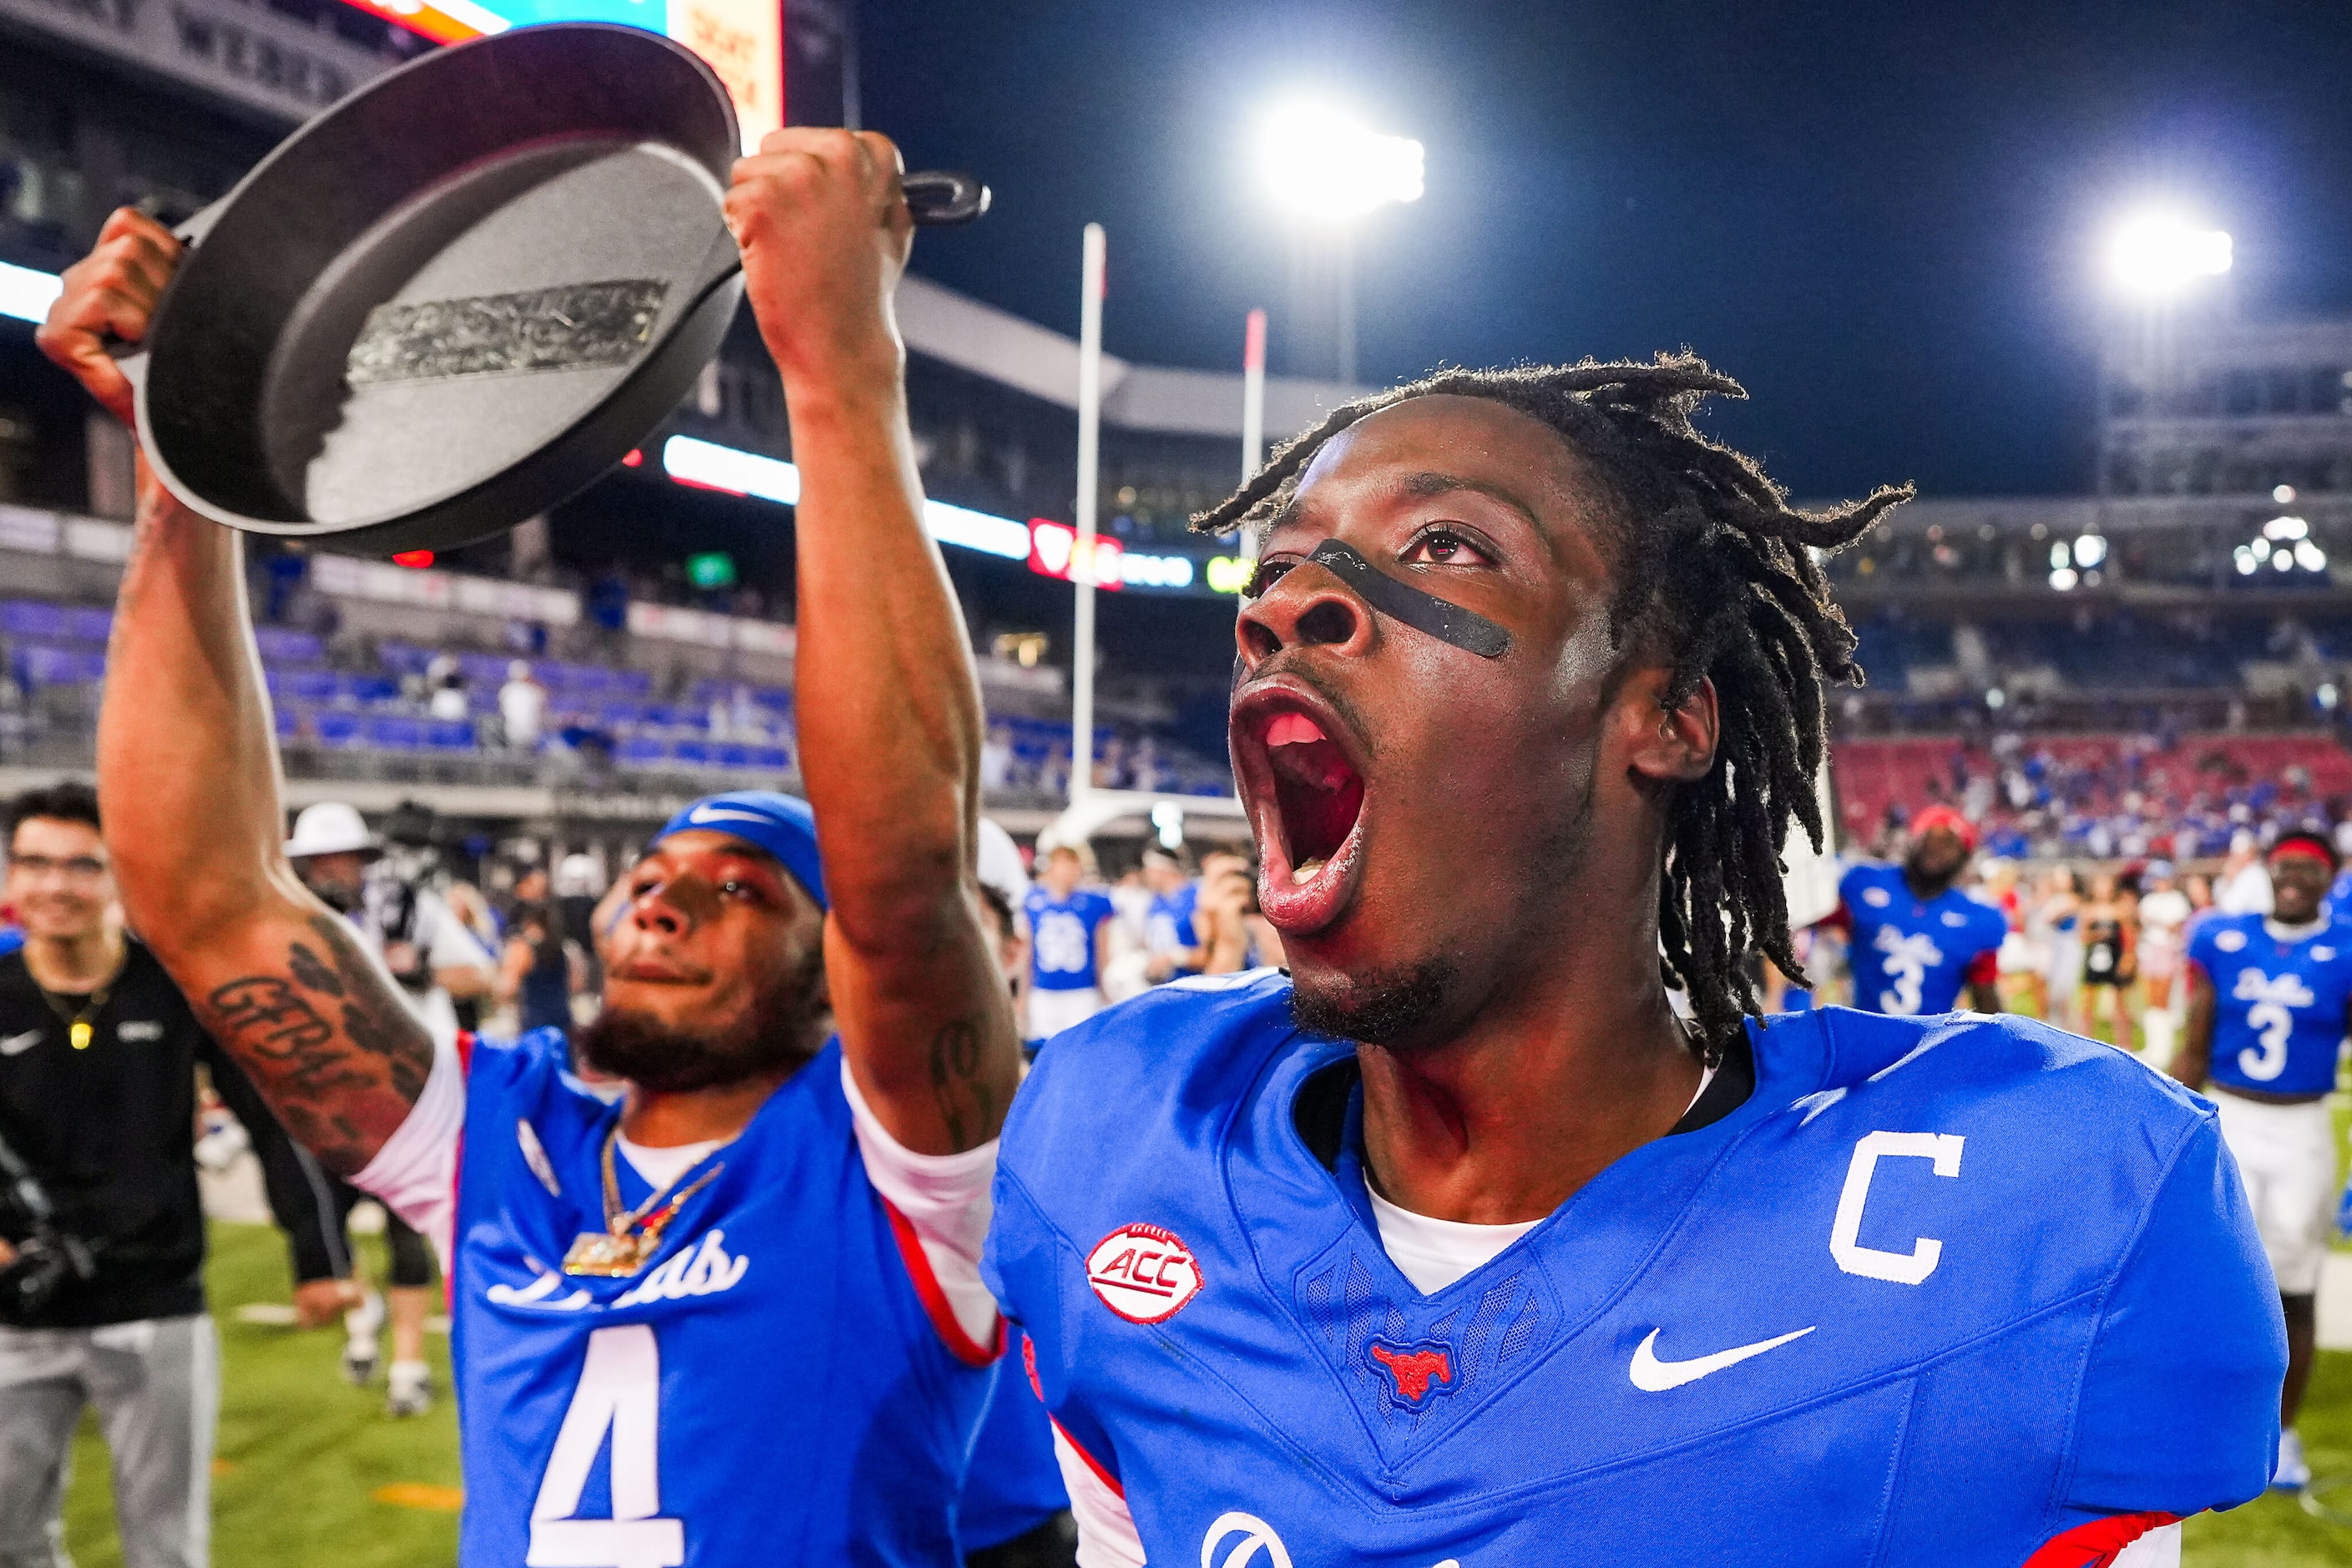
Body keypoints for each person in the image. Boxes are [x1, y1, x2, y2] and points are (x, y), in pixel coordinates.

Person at [983, 360, 2279, 1565]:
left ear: (1667, 714)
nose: (1281, 606)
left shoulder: (2035, 1209)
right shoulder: (1126, 1132)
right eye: (1276, 568)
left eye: (1447, 545)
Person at [52, 129, 1025, 1565]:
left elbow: (901, 871)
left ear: (835, 968)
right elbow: (208, 900)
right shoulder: (509, 1147)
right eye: (651, 877)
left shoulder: (901, 1170)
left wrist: (838, 371)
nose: (662, 902)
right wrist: (178, 460)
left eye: (739, 888)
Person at [0, 781, 319, 1568]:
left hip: (156, 1306)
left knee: (165, 1550)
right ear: (9, 878)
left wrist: (317, 1257)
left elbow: (274, 1120)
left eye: (83, 865)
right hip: (15, 1316)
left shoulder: (178, 988)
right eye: (35, 863)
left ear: (120, 878)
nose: (56, 885)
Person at [2169, 830, 2352, 1493]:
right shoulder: (2221, 936)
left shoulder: (2345, 948)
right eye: (2286, 866)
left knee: (2294, 1286)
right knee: (2205, 1271)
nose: (2296, 877)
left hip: (2302, 1126)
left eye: (2310, 867)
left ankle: (2285, 1429)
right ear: (2270, 871)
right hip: (2230, 1114)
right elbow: (2196, 1034)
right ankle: (2195, 1415)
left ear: (2330, 877)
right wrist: (2168, 1118)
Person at [281, 801, 494, 1046]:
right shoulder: (297, 920)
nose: (329, 867)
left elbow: (484, 977)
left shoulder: (413, 908)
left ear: (360, 858)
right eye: (318, 858)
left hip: (418, 1053)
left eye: (340, 855)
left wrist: (422, 972)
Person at [1821, 805, 2005, 1016]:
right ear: (1912, 839)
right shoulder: (1863, 882)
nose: (1935, 847)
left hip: (1930, 1044)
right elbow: (1808, 922)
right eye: (1930, 836)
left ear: (1964, 857)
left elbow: (1986, 1001)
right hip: (1862, 1035)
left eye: (1948, 843)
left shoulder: (1978, 919)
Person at [1021, 845, 1114, 1039]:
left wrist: (1106, 990)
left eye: (1072, 866)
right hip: (1044, 990)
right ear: (1051, 867)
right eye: (1063, 865)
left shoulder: (1093, 902)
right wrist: (1022, 996)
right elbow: (1027, 952)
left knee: (1080, 1047)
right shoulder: (1033, 901)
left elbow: (1102, 951)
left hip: (1082, 990)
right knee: (1043, 1046)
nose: (1068, 873)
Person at [498, 902, 584, 1037]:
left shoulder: (522, 949)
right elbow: (576, 985)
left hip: (534, 1026)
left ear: (529, 923)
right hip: (563, 1022)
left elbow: (507, 988)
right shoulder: (566, 948)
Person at [2076, 869, 2137, 1047]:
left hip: (2115, 957)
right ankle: (2085, 1043)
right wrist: (2096, 935)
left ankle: (2125, 1045)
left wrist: (2128, 958)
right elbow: (2082, 936)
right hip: (2094, 957)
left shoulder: (2120, 910)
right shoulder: (2088, 910)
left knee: (2120, 1005)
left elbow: (2129, 936)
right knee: (2087, 1003)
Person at [1139, 849, 1206, 984]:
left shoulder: (1197, 897)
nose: (1145, 874)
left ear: (1165, 869)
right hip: (1165, 984)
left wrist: (1174, 958)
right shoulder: (1155, 903)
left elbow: (1213, 951)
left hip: (1194, 982)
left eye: (1149, 869)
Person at [499, 660, 548, 751]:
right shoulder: (507, 690)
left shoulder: (535, 690)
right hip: (513, 731)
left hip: (532, 732)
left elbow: (542, 708)